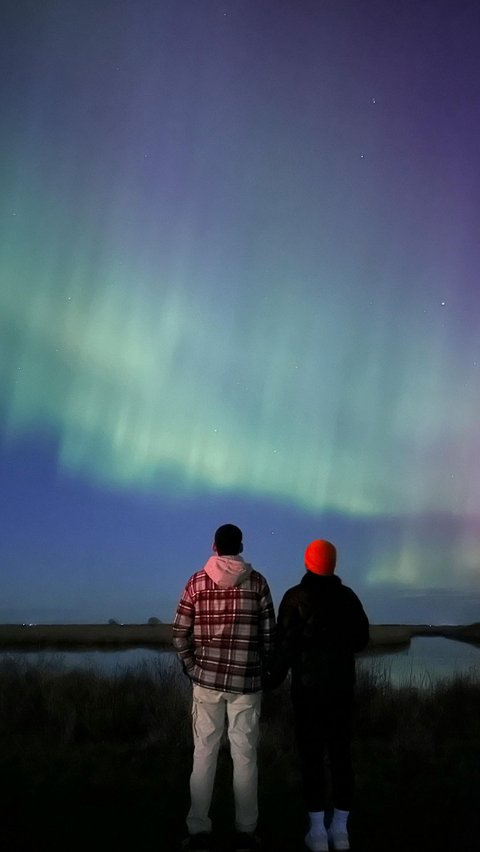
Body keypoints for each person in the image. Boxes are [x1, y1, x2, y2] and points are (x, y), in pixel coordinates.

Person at [173, 524, 276, 852]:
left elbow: (179, 633)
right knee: (245, 754)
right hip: (246, 683)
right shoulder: (257, 582)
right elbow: (269, 637)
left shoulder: (196, 582)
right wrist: (261, 667)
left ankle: (199, 829)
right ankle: (246, 831)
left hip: (206, 682)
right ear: (240, 546)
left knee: (204, 752)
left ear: (214, 547)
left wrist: (192, 666)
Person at [272, 539, 369, 852]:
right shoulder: (348, 597)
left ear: (307, 561)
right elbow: (361, 640)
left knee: (311, 757)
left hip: (307, 692)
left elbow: (284, 647)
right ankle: (340, 832)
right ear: (334, 563)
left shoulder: (293, 597)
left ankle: (317, 834)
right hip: (341, 690)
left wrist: (271, 679)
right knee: (342, 756)